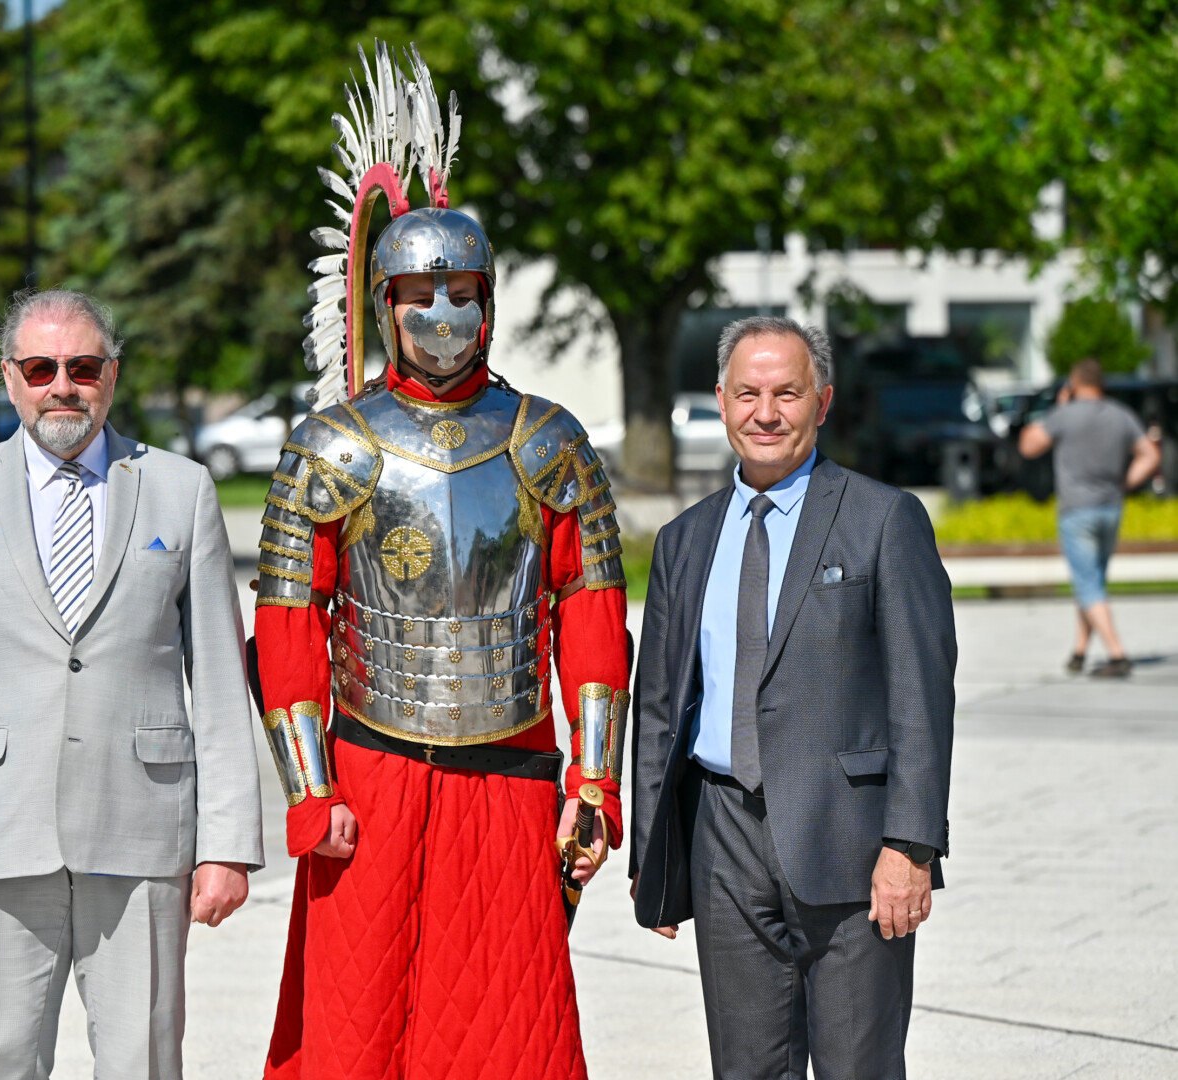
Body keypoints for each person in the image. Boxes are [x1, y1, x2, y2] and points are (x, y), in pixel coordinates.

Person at [256, 44, 631, 1080]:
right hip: (370, 772)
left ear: (489, 299)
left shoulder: (549, 440)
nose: (442, 315)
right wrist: (309, 788)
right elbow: (287, 626)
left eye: (461, 291)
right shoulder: (331, 446)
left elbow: (591, 614)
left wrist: (594, 778)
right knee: (356, 1018)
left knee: (507, 1023)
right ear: (383, 304)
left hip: (512, 768)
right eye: (419, 294)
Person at [0, 288, 264, 1080]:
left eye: (83, 368)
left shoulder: (181, 489)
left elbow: (222, 683)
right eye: (41, 368)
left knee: (144, 1062)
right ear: (9, 378)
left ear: (111, 375)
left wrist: (228, 846)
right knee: (4, 1061)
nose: (63, 385)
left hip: (142, 829)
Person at [629, 316, 956, 1079]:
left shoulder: (884, 520)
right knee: (745, 1068)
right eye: (748, 394)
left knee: (858, 1067)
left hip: (851, 844)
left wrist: (910, 847)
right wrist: (654, 846)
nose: (766, 413)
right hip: (722, 838)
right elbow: (659, 707)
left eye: (787, 393)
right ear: (721, 401)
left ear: (822, 401)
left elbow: (921, 696)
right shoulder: (684, 540)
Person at [1018, 358, 1162, 678]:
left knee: (1087, 582)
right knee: (1092, 580)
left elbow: (1028, 446)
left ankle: (1117, 654)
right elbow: (1151, 455)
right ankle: (1079, 651)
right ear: (1102, 383)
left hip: (1077, 510)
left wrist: (1056, 409)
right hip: (1111, 508)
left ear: (1073, 384)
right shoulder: (1120, 414)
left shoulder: (1064, 415)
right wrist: (1125, 482)